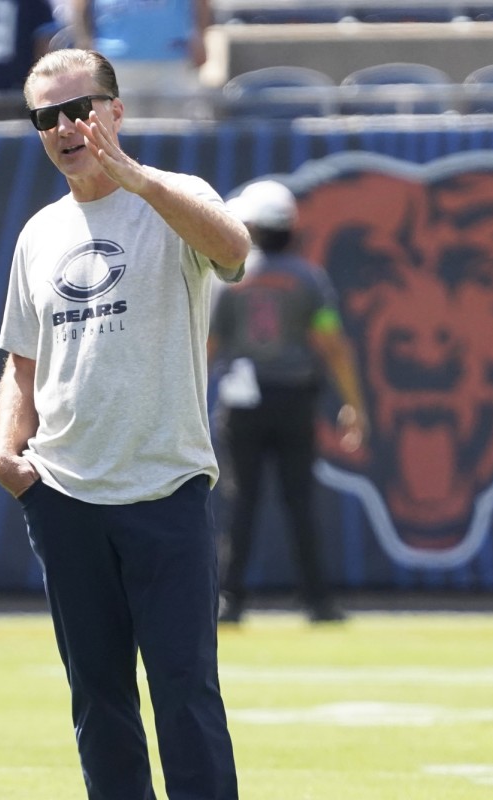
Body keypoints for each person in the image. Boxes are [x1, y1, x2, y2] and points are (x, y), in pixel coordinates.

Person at [0, 48, 249, 800]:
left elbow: (234, 252)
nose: (67, 127)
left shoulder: (174, 196)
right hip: (64, 494)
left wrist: (136, 179)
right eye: (48, 117)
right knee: (98, 700)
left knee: (185, 691)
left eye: (81, 108)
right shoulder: (38, 233)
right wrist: (6, 449)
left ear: (117, 109)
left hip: (165, 488)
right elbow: (22, 361)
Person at [209, 178, 369, 625]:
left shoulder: (230, 280)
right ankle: (316, 601)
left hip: (241, 403)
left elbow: (209, 345)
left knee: (240, 501)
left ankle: (230, 599)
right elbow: (331, 343)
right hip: (295, 398)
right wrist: (355, 404)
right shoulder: (309, 278)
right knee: (299, 500)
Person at [68, 0, 210, 118]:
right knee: (119, 131)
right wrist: (85, 42)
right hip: (115, 60)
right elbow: (80, 5)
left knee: (175, 133)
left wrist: (199, 36)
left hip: (173, 56)